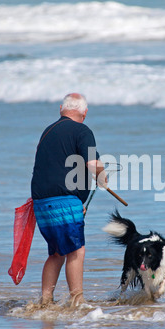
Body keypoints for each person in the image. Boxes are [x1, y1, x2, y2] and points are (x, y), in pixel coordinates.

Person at [31, 93, 106, 306]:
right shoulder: (83, 130)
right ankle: (77, 300)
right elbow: (92, 163)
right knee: (76, 249)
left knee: (56, 253)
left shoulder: (48, 131)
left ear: (61, 109)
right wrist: (102, 177)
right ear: (85, 112)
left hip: (41, 201)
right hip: (64, 200)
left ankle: (45, 301)